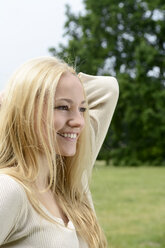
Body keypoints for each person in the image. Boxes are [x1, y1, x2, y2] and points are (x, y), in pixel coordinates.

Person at [0, 56, 119, 248]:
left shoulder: (70, 178)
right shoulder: (9, 189)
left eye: (82, 109)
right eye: (63, 107)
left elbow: (108, 88)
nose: (79, 121)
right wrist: (16, 100)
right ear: (26, 111)